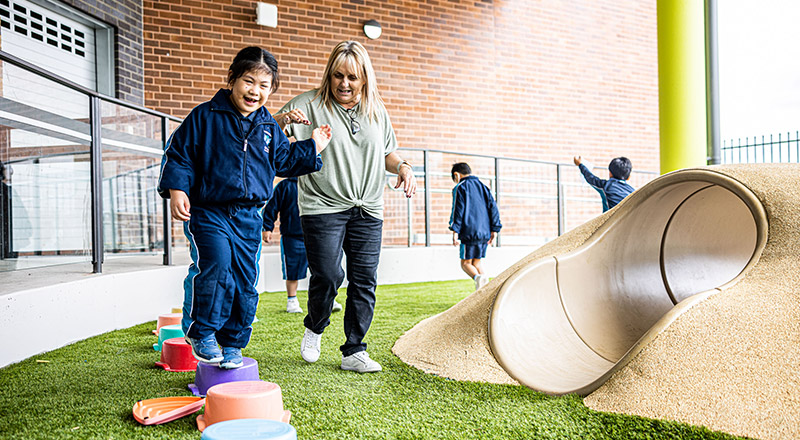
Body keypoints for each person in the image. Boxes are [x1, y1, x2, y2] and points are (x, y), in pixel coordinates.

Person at [157, 46, 332, 370]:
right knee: (218, 265)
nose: (255, 91)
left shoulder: (267, 126)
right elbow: (179, 154)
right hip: (209, 212)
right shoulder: (205, 117)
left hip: (248, 217)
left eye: (264, 85)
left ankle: (233, 341)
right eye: (249, 81)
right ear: (233, 79)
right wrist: (177, 188)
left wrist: (313, 146)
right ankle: (202, 332)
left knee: (244, 279)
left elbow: (284, 160)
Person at [275, 40, 416, 374]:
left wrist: (404, 167)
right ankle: (315, 325)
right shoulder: (308, 104)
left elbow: (387, 154)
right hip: (321, 205)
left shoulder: (376, 110)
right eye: (338, 76)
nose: (344, 84)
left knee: (364, 280)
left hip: (368, 207)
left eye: (352, 77)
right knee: (327, 274)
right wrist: (282, 119)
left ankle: (354, 349)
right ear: (329, 75)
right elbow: (270, 134)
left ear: (364, 78)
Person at [261, 177, 342, 314]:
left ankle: (328, 299)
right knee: (292, 269)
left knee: (325, 269)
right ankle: (292, 300)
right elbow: (272, 207)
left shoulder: (320, 182)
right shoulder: (285, 186)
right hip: (293, 236)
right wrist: (267, 227)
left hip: (320, 234)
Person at [448, 162, 502, 290]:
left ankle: (478, 279)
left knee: (465, 264)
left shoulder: (460, 187)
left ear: (456, 175)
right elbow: (493, 208)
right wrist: (495, 229)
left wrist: (455, 231)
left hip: (469, 232)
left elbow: (458, 210)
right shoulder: (483, 187)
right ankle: (487, 289)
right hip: (484, 232)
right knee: (476, 262)